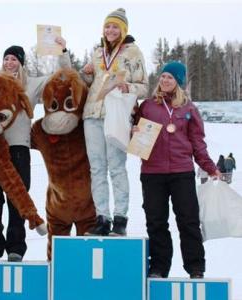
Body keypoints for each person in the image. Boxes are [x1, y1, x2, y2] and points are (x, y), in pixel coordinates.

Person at [0, 38, 71, 262]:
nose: (9, 62)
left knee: (17, 200)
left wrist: (62, 51)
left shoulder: (31, 84)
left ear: (21, 63)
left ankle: (15, 248)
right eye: (6, 59)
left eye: (13, 59)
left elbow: (62, 76)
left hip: (18, 150)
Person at [134, 61, 221, 279]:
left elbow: (197, 143)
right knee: (156, 222)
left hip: (181, 172)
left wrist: (210, 167)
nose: (164, 80)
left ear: (178, 82)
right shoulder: (147, 106)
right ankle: (159, 267)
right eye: (163, 76)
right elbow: (132, 134)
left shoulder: (189, 109)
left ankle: (195, 267)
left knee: (188, 221)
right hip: (152, 173)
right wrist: (132, 130)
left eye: (170, 77)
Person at [81, 8, 148, 236]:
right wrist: (87, 73)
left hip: (116, 114)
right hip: (92, 115)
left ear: (123, 30)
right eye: (107, 26)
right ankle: (102, 218)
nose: (110, 30)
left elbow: (144, 86)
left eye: (115, 27)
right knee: (97, 168)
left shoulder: (132, 52)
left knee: (116, 167)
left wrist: (128, 86)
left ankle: (120, 218)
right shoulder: (98, 53)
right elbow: (91, 82)